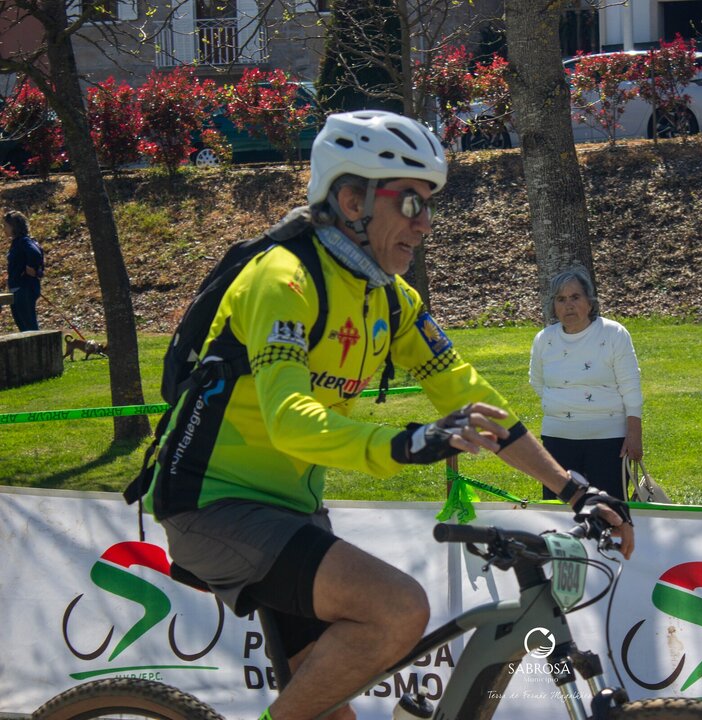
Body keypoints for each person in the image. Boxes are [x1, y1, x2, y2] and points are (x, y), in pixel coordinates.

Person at [144, 110, 633, 720]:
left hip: (291, 511)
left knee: (327, 712)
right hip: (212, 504)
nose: (424, 223)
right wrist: (406, 443)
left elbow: (470, 395)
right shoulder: (284, 280)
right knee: (398, 608)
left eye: (429, 206)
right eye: (410, 203)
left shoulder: (391, 298)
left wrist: (574, 488)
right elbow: (289, 419)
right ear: (352, 200)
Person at [530, 268, 643, 501]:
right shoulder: (544, 339)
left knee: (608, 511)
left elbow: (630, 386)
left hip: (608, 442)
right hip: (557, 439)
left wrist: (634, 433)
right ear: (554, 306)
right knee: (559, 511)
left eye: (575, 297)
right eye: (561, 299)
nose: (568, 305)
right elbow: (537, 382)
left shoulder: (614, 334)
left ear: (590, 302)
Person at [4, 210, 43, 332]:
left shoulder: (24, 241)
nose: (4, 229)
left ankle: (37, 345)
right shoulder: (17, 242)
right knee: (23, 327)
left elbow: (35, 253)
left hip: (24, 288)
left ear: (14, 227)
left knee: (29, 327)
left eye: (6, 226)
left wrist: (31, 268)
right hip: (17, 289)